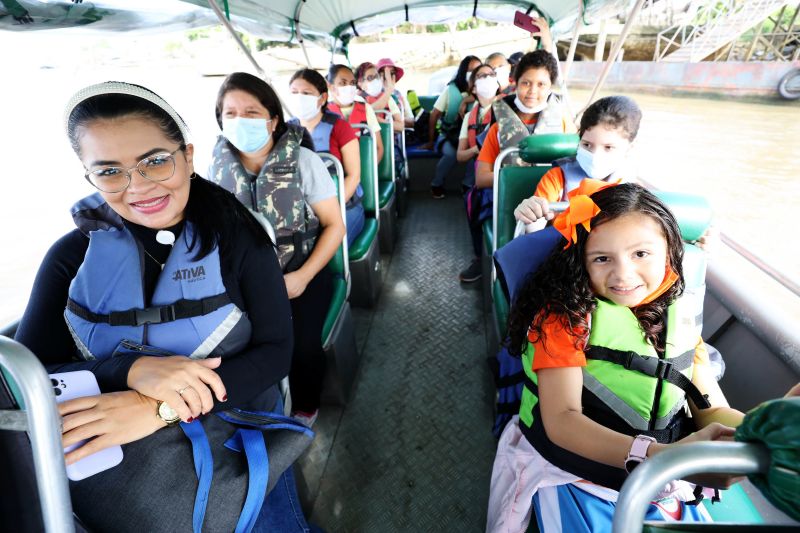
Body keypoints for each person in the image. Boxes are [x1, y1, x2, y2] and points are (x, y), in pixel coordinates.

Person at [15, 81, 310, 531]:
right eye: (110, 171)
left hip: (239, 430)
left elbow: (275, 352)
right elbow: (30, 378)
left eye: (155, 161)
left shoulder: (239, 240)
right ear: (89, 175)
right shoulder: (68, 258)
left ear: (188, 156)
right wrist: (127, 372)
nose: (138, 187)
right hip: (122, 457)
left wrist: (158, 407)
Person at [486, 181, 797, 532]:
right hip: (575, 472)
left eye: (641, 254)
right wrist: (657, 457)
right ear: (581, 263)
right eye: (602, 258)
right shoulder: (564, 318)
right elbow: (562, 420)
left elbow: (709, 408)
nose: (623, 274)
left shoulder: (677, 314)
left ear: (669, 251)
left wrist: (765, 428)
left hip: (662, 477)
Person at [209, 72, 346, 427]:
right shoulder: (216, 171)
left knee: (299, 347)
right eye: (231, 114)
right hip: (243, 283)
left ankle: (304, 408)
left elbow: (335, 226)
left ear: (272, 120)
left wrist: (303, 276)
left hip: (300, 273)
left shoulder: (304, 162)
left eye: (251, 113)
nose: (240, 121)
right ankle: (243, 414)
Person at [513, 95, 640, 227]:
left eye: (608, 147)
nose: (595, 156)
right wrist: (530, 214)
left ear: (630, 148)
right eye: (587, 145)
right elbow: (534, 230)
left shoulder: (633, 188)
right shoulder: (558, 178)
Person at [287, 67, 365, 247]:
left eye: (306, 93)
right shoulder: (285, 131)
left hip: (344, 207)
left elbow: (354, 176)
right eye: (294, 92)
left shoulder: (340, 127)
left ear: (322, 98)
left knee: (326, 246)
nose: (299, 97)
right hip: (302, 210)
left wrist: (330, 210)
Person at [474, 49, 570, 191]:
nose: (533, 90)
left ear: (550, 87)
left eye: (541, 84)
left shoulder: (563, 124)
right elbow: (481, 178)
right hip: (511, 203)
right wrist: (521, 177)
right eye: (526, 83)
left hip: (551, 206)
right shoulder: (499, 128)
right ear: (516, 84)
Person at [455, 63, 500, 283]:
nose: (487, 79)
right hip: (477, 170)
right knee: (471, 198)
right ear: (473, 88)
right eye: (481, 76)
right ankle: (478, 259)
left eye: (491, 75)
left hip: (501, 169)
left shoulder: (507, 109)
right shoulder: (469, 117)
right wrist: (478, 149)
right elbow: (460, 156)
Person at [424, 54, 481, 199]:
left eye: (477, 70)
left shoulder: (483, 92)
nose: (473, 73)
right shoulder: (451, 90)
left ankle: (467, 184)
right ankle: (436, 183)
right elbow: (434, 115)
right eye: (469, 70)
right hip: (450, 134)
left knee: (475, 154)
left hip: (472, 135)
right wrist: (431, 141)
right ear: (463, 71)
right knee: (450, 155)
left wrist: (470, 98)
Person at [327, 63, 385, 163]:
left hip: (363, 168)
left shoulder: (366, 108)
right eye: (343, 83)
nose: (349, 87)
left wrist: (367, 172)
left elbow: (379, 148)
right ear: (331, 87)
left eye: (352, 83)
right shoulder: (323, 112)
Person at [355, 61, 404, 133]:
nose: (375, 80)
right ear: (360, 83)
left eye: (376, 76)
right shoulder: (356, 99)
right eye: (370, 78)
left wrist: (382, 121)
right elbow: (367, 111)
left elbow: (400, 127)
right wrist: (389, 90)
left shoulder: (388, 98)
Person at [376, 57, 415, 128]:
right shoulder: (369, 95)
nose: (387, 76)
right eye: (384, 73)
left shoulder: (398, 96)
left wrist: (394, 119)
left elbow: (411, 121)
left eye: (391, 73)